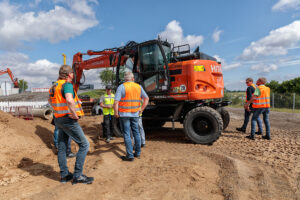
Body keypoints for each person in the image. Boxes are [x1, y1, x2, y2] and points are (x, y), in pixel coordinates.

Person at [49, 65, 94, 184]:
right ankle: (78, 176)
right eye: (72, 73)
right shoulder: (67, 85)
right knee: (84, 144)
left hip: (59, 119)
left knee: (62, 147)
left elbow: (50, 101)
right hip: (68, 120)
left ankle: (65, 175)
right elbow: (69, 100)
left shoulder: (54, 86)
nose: (74, 75)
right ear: (69, 74)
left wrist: (58, 111)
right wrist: (74, 114)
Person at [114, 71, 149, 161]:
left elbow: (116, 102)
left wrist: (116, 113)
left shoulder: (121, 87)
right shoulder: (138, 87)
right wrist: (141, 109)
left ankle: (129, 155)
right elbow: (146, 98)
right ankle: (137, 153)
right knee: (136, 132)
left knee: (126, 134)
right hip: (135, 114)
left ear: (125, 79)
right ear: (133, 78)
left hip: (124, 114)